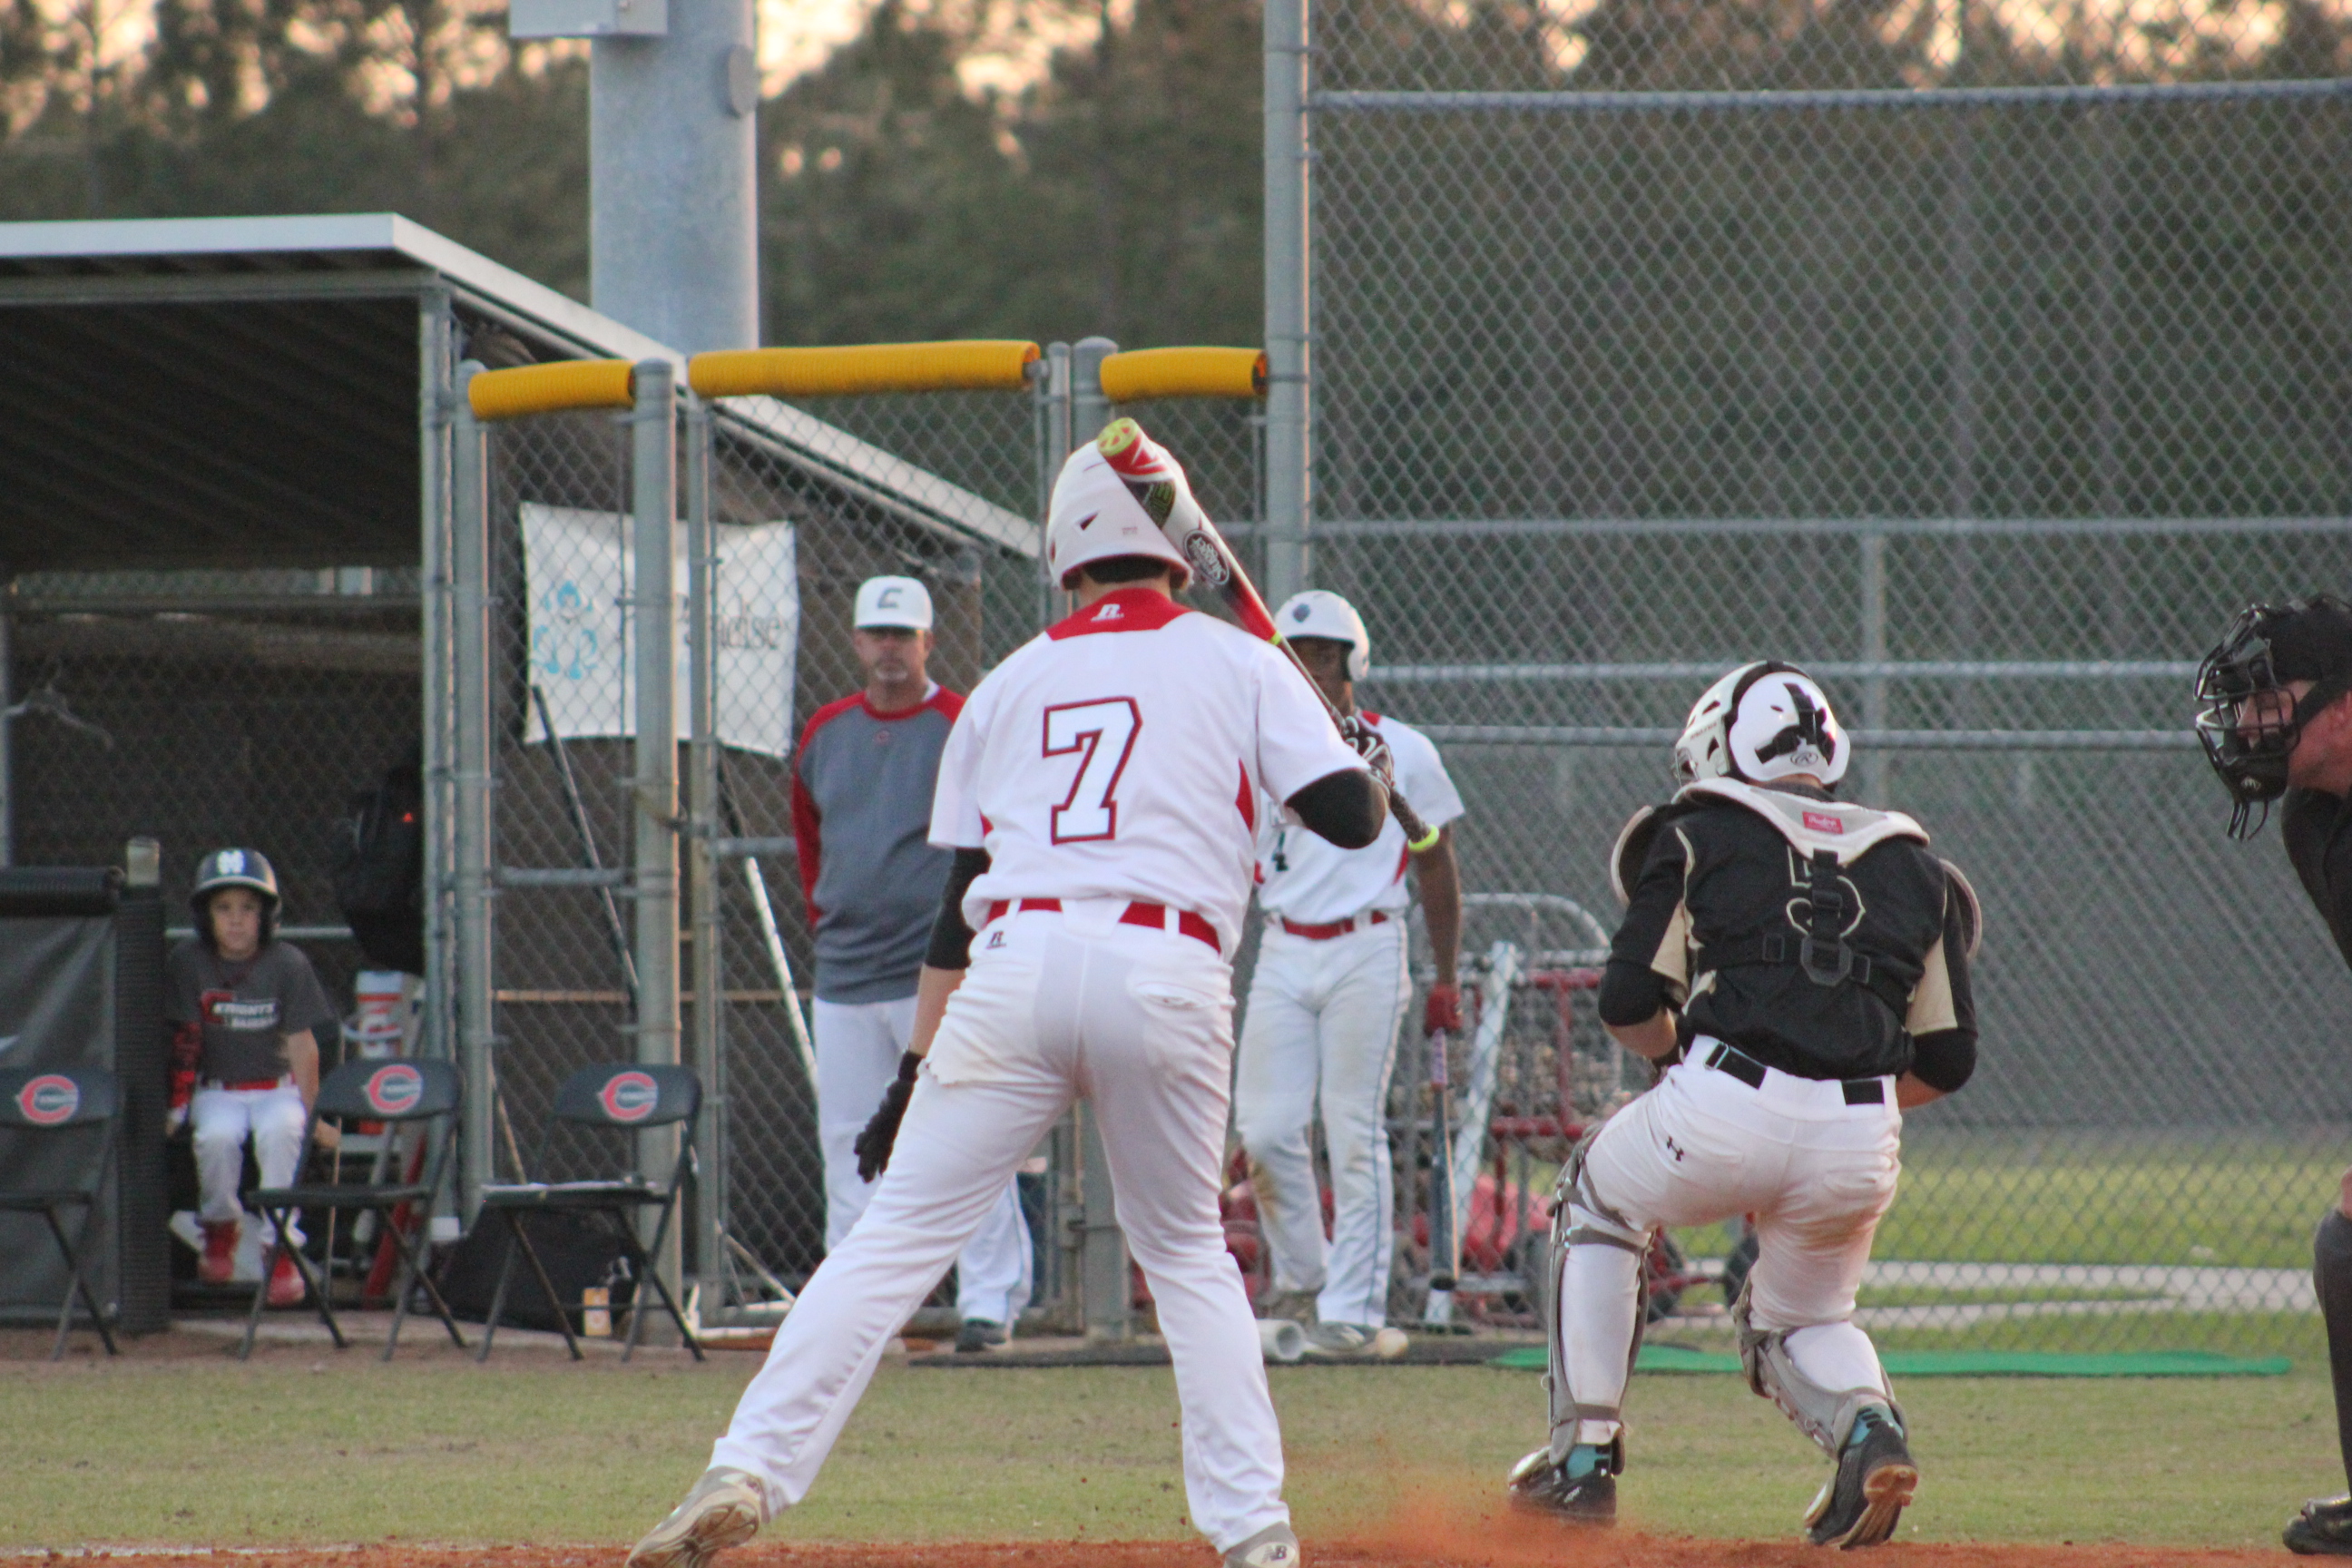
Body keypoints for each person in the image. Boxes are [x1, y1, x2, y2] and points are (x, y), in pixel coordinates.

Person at [626, 423, 1387, 1568]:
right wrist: (1360, 754)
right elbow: (1354, 821)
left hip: (1014, 966)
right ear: (1175, 556)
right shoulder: (1243, 660)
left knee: (889, 1240)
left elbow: (957, 906)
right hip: (1166, 969)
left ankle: (746, 1467)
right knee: (1187, 1257)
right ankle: (1253, 1532)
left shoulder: (1011, 680)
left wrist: (915, 1069)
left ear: (1067, 553)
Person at [1506, 663, 1978, 1548]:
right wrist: (1838, 1105)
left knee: (1597, 1200)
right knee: (1806, 1320)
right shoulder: (1916, 863)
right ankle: (1869, 1430)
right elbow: (1949, 1057)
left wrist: (1679, 1062)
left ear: (1721, 748)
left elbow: (1626, 1001)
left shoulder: (1697, 830)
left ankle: (1582, 1458)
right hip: (1862, 1131)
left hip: (1723, 1099)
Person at [791, 573, 1033, 1352]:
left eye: (904, 634)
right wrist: (829, 921)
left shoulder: (963, 722)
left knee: (963, 1134)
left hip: (942, 973)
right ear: (856, 641)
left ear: (930, 641)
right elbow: (811, 842)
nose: (890, 648)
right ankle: (856, 1317)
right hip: (845, 973)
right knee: (849, 1146)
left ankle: (989, 1302)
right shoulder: (826, 732)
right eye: (877, 634)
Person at [1235, 589, 1465, 1354]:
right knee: (1266, 1129)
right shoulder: (1259, 747)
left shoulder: (1402, 749)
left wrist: (1445, 976)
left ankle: (1354, 1309)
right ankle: (1305, 1279)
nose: (1310, 670)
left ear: (1352, 663)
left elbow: (1435, 863)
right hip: (1283, 945)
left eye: (1325, 657)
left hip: (1368, 944)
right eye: (1297, 657)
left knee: (1352, 1128)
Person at [2194, 597, 2352, 1556]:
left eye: (2271, 698)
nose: (2250, 722)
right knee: (2349, 1242)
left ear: (2343, 705)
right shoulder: (2316, 825)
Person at [165, 848, 341, 1308]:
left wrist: (315, 1115)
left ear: (267, 915)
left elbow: (303, 1046)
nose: (236, 920)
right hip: (217, 1090)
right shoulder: (188, 961)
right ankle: (219, 1228)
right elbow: (184, 1041)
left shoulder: (287, 962)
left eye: (248, 908)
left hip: (275, 1089)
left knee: (282, 1131)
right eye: (223, 908)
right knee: (217, 1138)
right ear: (205, 916)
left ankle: (280, 1245)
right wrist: (177, 1108)